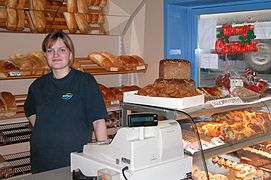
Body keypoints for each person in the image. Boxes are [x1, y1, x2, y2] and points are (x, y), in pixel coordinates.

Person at [24, 31, 108, 174]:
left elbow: (98, 122)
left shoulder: (85, 82)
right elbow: (30, 111)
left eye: (62, 50)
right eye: (50, 51)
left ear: (70, 54)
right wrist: (44, 130)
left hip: (74, 161)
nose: (55, 55)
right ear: (45, 55)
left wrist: (104, 159)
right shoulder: (37, 86)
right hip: (42, 161)